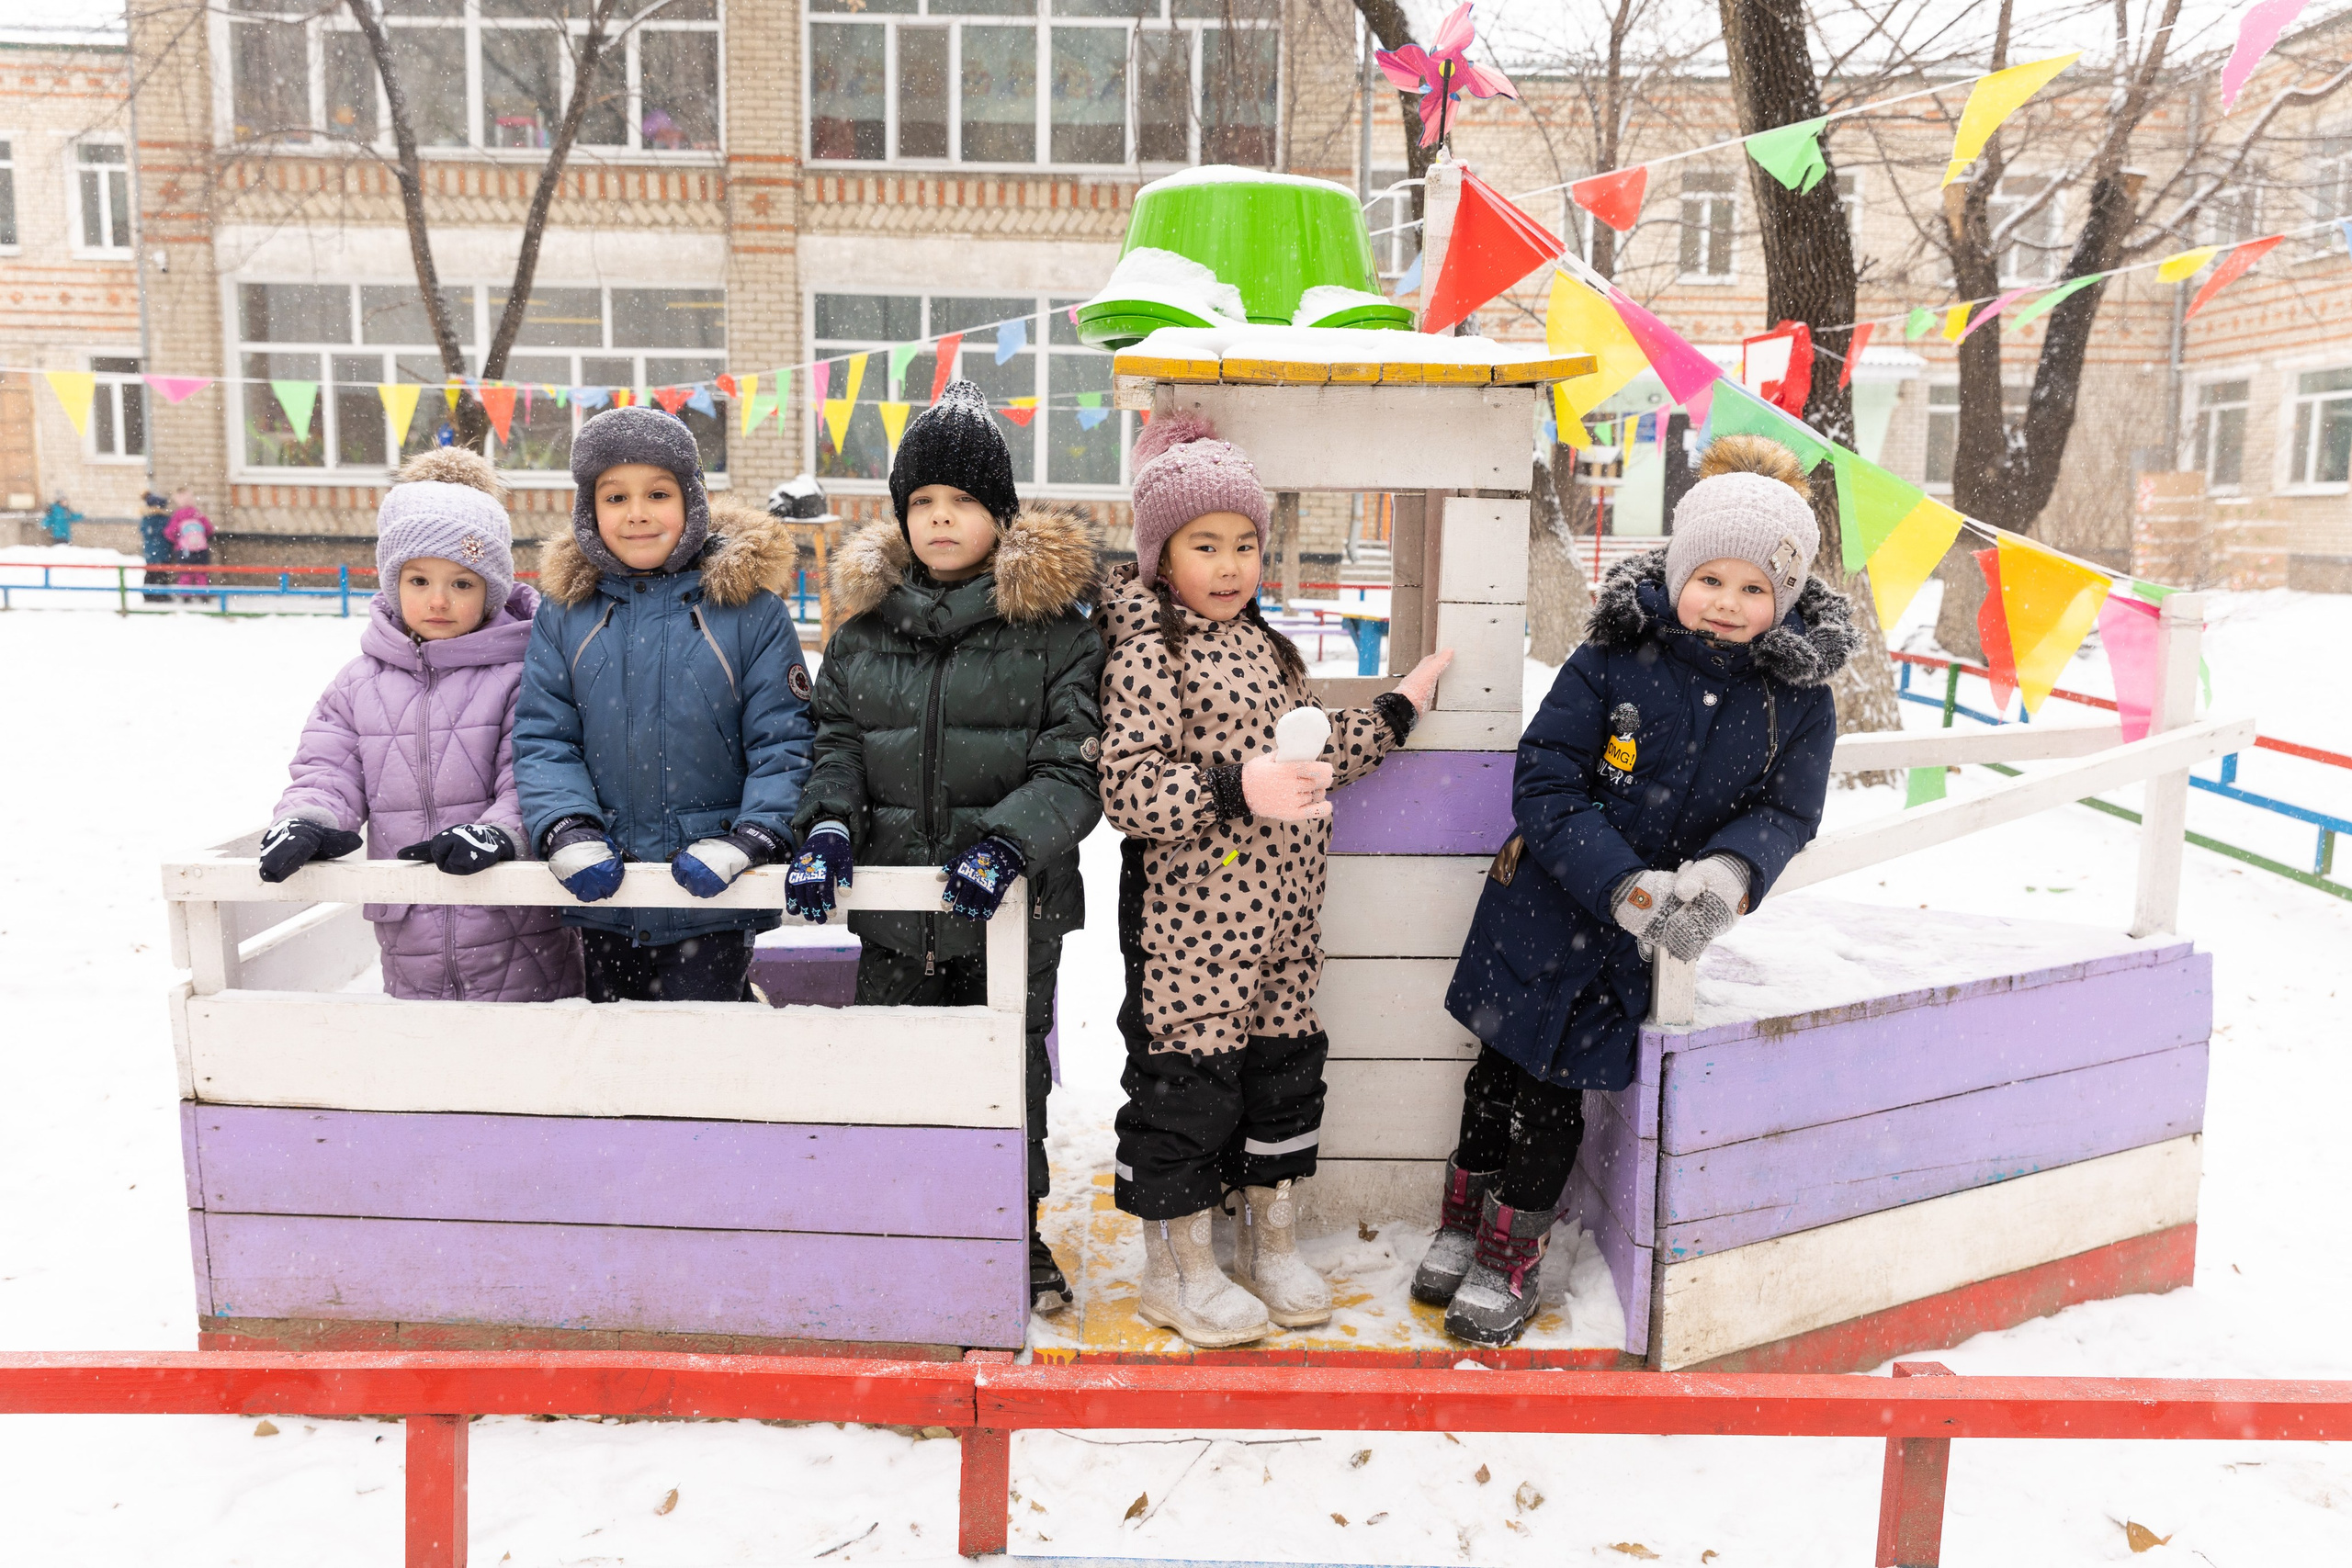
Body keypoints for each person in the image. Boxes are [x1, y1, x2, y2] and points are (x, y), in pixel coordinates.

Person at [1420, 435, 1858, 1348]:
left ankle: (1513, 1251)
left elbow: (1786, 811)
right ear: (1675, 571)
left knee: (1553, 1098)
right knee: (1495, 1073)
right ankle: (1463, 1215)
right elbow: (1545, 775)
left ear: (1784, 598)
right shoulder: (1612, 658)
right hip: (1543, 908)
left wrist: (1728, 872)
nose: (1728, 604)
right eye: (1711, 580)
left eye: (1753, 588)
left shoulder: (1797, 700)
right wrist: (1617, 880)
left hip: (1647, 942)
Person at [1096, 413, 1453, 1348]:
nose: (1229, 565)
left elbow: (1312, 750)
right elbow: (1128, 788)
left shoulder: (1268, 646)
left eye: (1245, 544)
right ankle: (1174, 1271)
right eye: (1203, 545)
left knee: (1282, 1080)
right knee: (1187, 1091)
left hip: (1287, 923)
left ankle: (1273, 1242)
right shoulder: (1149, 649)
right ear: (1159, 556)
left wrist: (1394, 710)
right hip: (1193, 927)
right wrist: (1231, 786)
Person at [781, 380, 1105, 1318]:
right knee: (901, 1079)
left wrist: (1006, 845)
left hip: (1010, 911)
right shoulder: (865, 634)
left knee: (1008, 1084)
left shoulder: (1053, 636)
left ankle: (1012, 1235)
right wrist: (830, 823)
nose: (939, 519)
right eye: (922, 503)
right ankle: (906, 1234)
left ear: (1000, 516)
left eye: (960, 502)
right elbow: (835, 745)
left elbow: (1070, 766)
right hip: (894, 914)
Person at [514, 405, 816, 1004]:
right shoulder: (566, 613)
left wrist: (751, 836)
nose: (638, 513)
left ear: (692, 501)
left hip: (712, 891)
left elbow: (785, 742)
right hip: (606, 886)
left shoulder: (747, 611)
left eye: (657, 493)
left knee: (700, 1062)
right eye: (615, 496)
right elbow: (545, 738)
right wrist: (569, 827)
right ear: (589, 509)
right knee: (617, 1068)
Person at [256, 447, 582, 1002]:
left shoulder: (522, 678)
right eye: (418, 579)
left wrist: (502, 832)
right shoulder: (358, 683)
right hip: (409, 929)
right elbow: (326, 769)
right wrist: (309, 819)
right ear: (392, 582)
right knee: (426, 1071)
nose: (437, 599)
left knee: (526, 1069)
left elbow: (536, 778)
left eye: (461, 583)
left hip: (515, 922)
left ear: (491, 589)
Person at [167, 490, 213, 592]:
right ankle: (203, 594)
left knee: (185, 574)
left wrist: (178, 541)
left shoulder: (178, 515)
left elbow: (169, 532)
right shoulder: (198, 514)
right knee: (201, 574)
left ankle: (185, 594)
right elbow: (209, 529)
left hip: (184, 550)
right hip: (201, 549)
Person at [139, 491, 174, 602]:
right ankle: (161, 595)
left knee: (151, 573)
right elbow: (168, 533)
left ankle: (148, 594)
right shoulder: (165, 519)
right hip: (163, 551)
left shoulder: (146, 519)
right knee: (161, 574)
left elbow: (144, 531)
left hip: (150, 552)